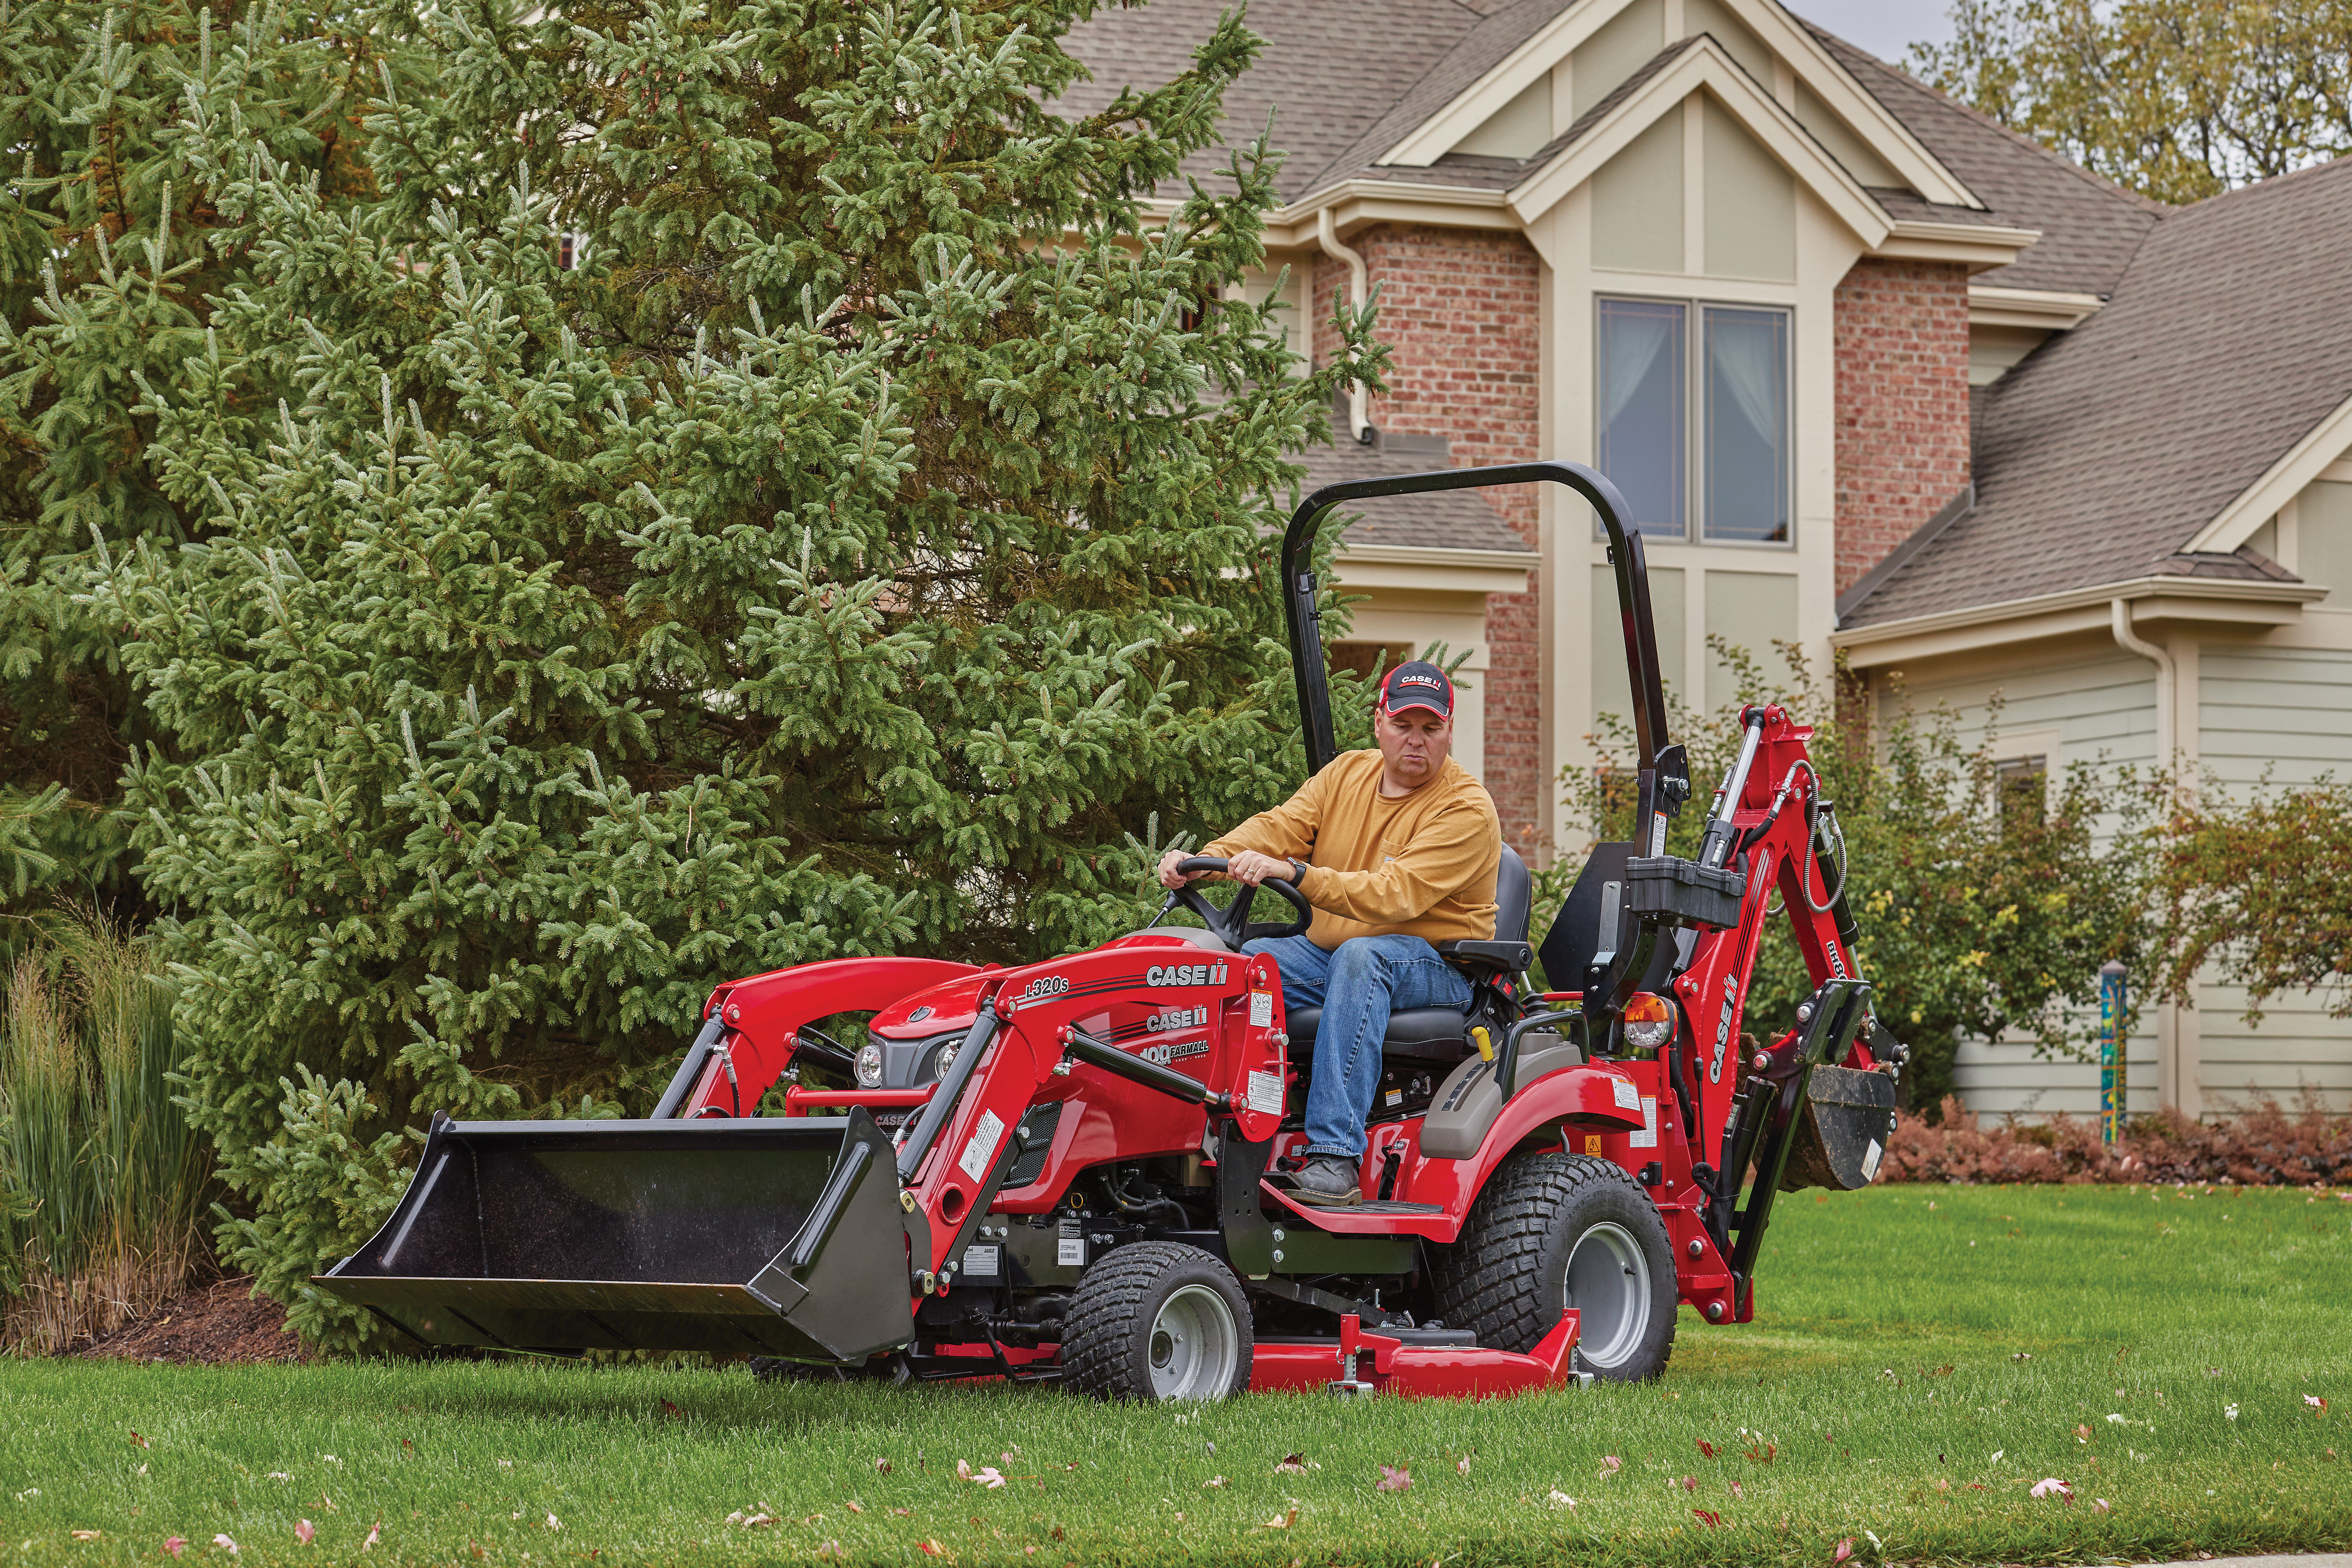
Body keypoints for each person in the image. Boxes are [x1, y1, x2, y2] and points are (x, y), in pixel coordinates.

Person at [1157, 660, 1501, 1206]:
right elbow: (1280, 826)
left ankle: (1335, 1158)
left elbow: (1394, 895)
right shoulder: (1347, 775)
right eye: (1403, 724)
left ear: (1449, 731)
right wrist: (1209, 858)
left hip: (1438, 968)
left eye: (1431, 729)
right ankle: (1200, 1133)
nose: (1416, 741)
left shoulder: (1466, 808)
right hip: (1333, 954)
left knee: (1364, 959)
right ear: (1379, 722)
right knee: (1240, 961)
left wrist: (1295, 873)